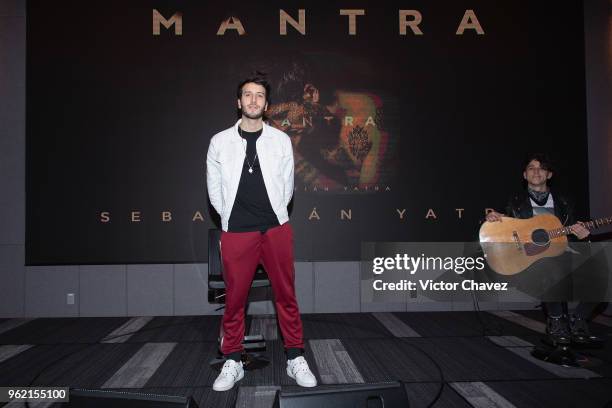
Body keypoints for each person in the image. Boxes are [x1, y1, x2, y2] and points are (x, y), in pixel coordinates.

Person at [206, 74, 317, 391]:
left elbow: (288, 186)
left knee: (286, 295)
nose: (253, 100)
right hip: (237, 232)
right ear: (238, 102)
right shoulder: (219, 142)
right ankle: (232, 360)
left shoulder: (280, 140)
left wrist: (275, 216)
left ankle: (295, 357)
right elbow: (215, 192)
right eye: (247, 95)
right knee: (235, 300)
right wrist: (230, 218)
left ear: (267, 105)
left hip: (275, 229)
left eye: (259, 96)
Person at [485, 153, 600, 346]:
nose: (536, 171)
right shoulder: (514, 201)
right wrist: (492, 218)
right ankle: (557, 323)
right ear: (524, 175)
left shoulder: (564, 202)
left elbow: (573, 232)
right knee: (552, 266)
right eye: (531, 168)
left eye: (541, 168)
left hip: (563, 252)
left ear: (549, 175)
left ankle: (578, 320)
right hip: (530, 259)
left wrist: (585, 236)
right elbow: (494, 228)